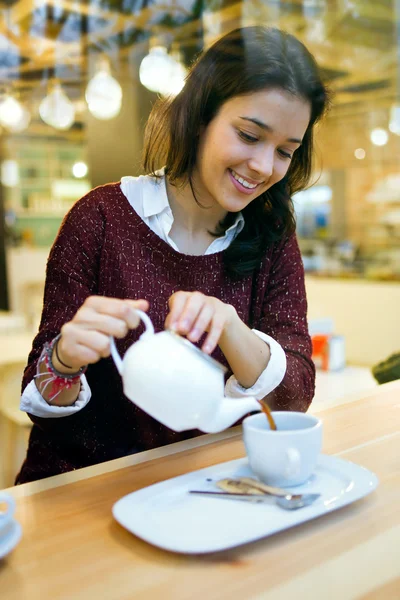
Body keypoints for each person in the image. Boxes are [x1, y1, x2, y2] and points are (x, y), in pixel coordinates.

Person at [16, 26, 330, 484]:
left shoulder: (271, 235)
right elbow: (45, 409)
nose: (264, 166)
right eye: (248, 135)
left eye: (285, 151)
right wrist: (63, 360)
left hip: (202, 490)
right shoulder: (100, 218)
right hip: (88, 491)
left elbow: (293, 395)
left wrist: (228, 326)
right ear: (200, 115)